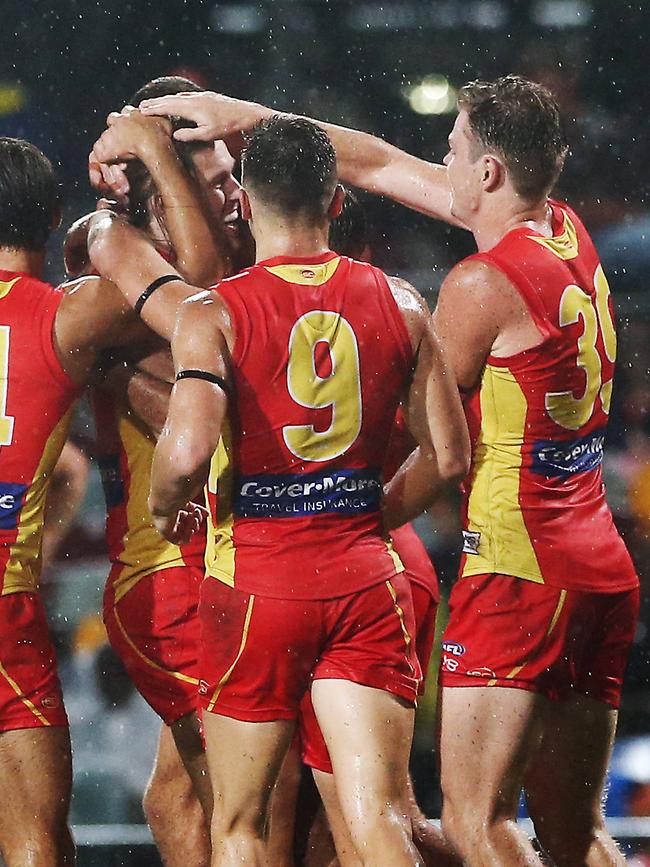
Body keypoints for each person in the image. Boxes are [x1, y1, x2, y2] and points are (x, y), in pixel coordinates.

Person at [139, 77, 640, 866]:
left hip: (514, 562)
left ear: (487, 175)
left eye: (453, 149)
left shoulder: (479, 286)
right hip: (599, 561)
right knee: (576, 833)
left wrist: (339, 508)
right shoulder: (563, 231)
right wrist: (254, 119)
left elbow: (410, 429)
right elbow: (373, 164)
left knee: (478, 824)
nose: (439, 161)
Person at [87, 116, 469, 867]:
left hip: (260, 581)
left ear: (250, 205)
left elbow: (189, 445)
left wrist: (168, 505)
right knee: (382, 817)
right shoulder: (400, 301)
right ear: (334, 201)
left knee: (241, 822)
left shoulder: (214, 309)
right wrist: (374, 512)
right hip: (367, 573)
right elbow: (451, 455)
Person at [78, 75, 243, 867]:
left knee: (200, 801)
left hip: (221, 567)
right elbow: (198, 292)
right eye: (214, 184)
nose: (234, 197)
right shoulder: (107, 242)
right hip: (168, 570)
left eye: (233, 179)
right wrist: (150, 152)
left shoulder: (243, 252)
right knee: (225, 806)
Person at [0, 135, 162, 867]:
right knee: (36, 836)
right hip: (8, 601)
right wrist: (107, 225)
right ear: (49, 216)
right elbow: (183, 286)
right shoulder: (67, 317)